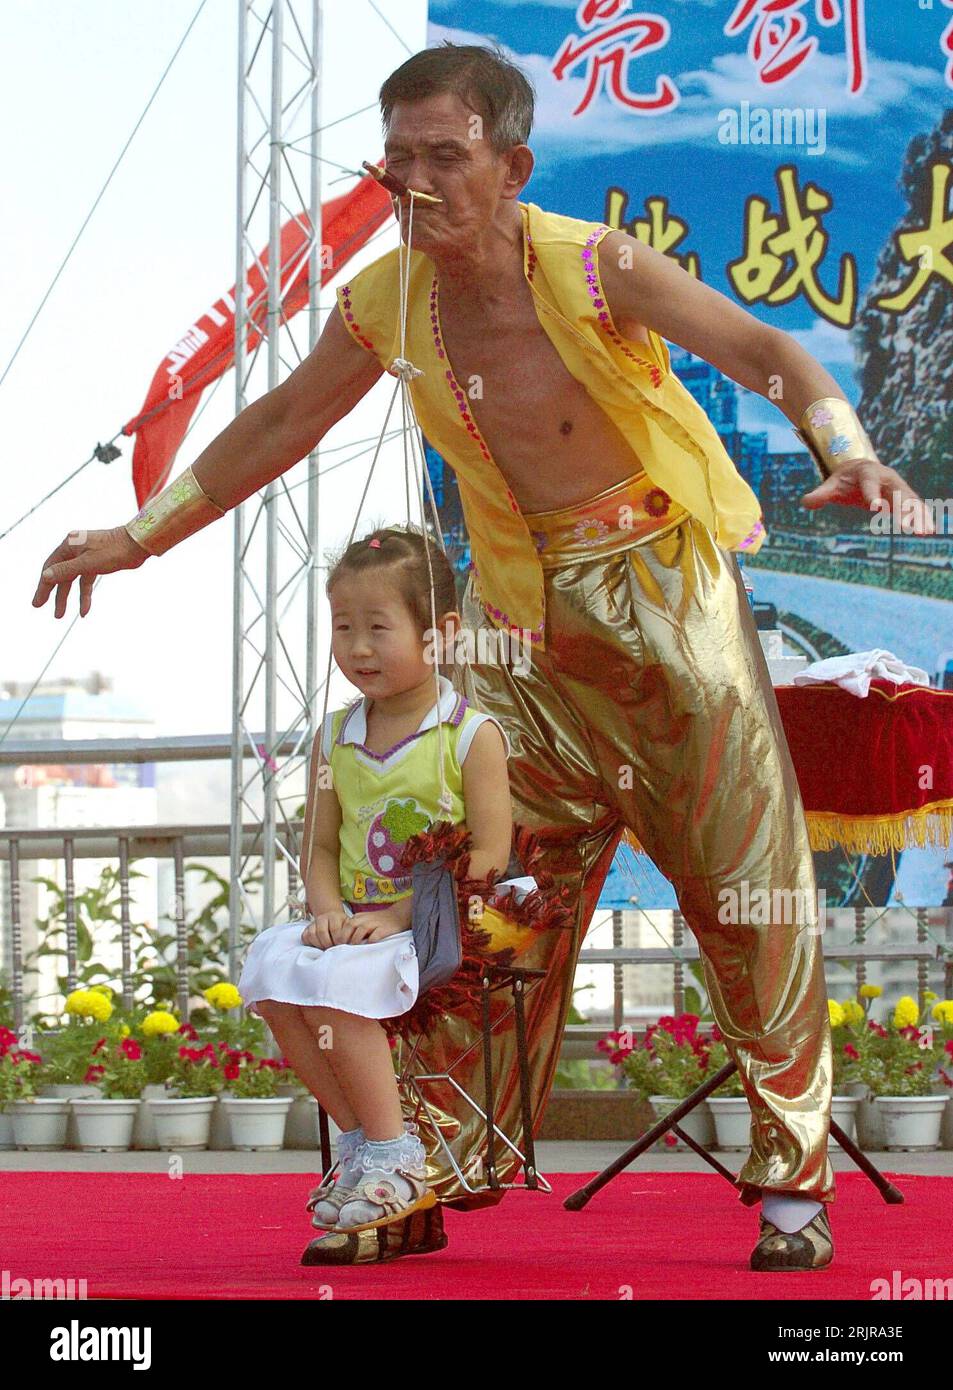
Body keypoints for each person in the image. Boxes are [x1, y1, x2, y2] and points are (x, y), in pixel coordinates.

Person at [32, 42, 933, 1271]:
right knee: (470, 891)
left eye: (442, 158)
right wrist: (139, 536)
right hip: (521, 636)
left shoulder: (592, 263)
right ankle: (424, 1160)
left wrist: (842, 443)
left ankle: (790, 1188)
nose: (412, 182)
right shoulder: (382, 299)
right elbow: (281, 420)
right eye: (393, 159)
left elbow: (765, 354)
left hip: (664, 610)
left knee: (744, 896)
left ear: (508, 165)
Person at [237, 524, 513, 1237]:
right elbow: (320, 847)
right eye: (343, 627)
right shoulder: (334, 736)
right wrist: (325, 911)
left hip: (437, 922)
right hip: (357, 922)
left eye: (378, 628)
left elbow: (488, 856)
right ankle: (362, 1142)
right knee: (272, 968)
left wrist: (395, 915)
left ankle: (397, 1154)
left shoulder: (468, 734)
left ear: (440, 632)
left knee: (339, 982)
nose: (358, 648)